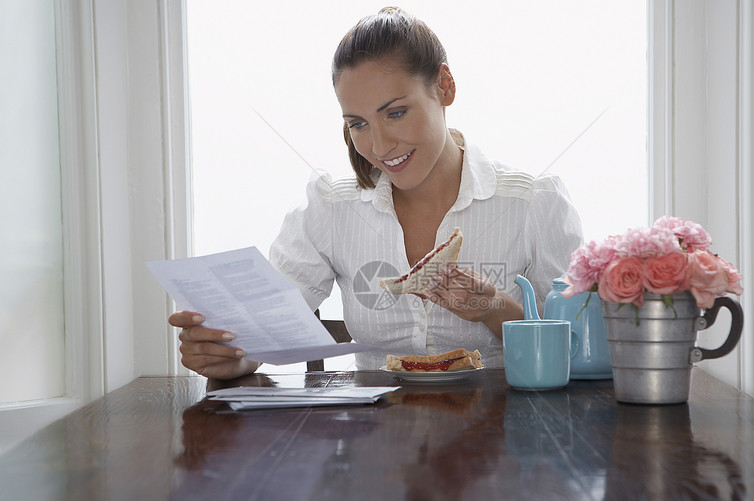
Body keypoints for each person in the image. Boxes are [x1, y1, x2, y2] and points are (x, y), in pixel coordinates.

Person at [169, 7, 583, 379]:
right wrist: (232, 355)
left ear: (444, 87)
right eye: (358, 124)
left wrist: (495, 310)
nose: (380, 146)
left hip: (506, 439)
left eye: (396, 113)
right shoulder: (331, 205)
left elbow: (579, 350)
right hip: (375, 443)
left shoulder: (534, 202)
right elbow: (266, 327)